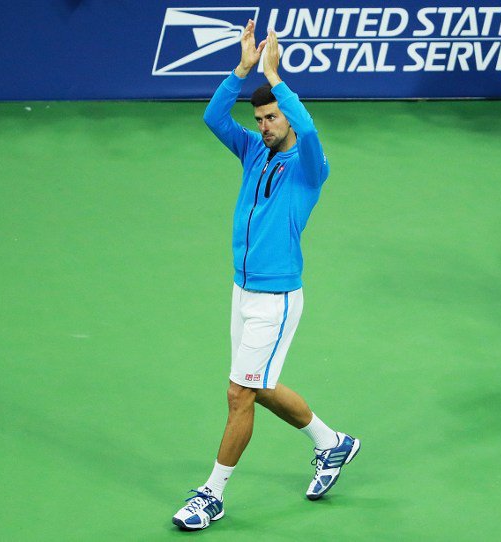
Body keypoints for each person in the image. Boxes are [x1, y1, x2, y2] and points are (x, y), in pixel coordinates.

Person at [172, 21, 360, 531]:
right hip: (242, 290)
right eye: (258, 118)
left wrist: (275, 77)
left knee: (239, 393)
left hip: (275, 298)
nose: (264, 126)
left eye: (272, 117)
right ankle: (332, 443)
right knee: (261, 384)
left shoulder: (308, 167)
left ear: (287, 117)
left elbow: (313, 130)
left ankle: (213, 494)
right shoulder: (253, 151)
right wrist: (242, 69)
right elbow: (213, 116)